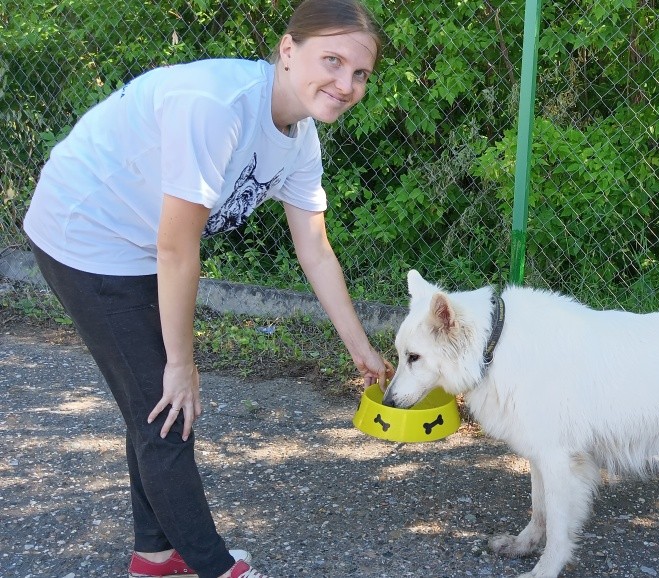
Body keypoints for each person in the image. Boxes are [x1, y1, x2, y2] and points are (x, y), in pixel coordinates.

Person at [22, 0, 394, 576]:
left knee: (153, 405)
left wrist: (360, 347)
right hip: (85, 230)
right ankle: (214, 566)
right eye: (333, 60)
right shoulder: (219, 106)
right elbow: (177, 249)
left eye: (360, 72)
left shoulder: (299, 139)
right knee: (166, 406)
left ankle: (154, 556)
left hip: (140, 241)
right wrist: (182, 363)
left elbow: (316, 250)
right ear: (288, 50)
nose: (346, 84)